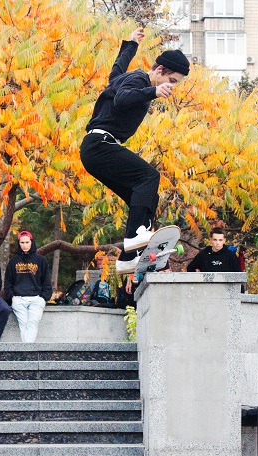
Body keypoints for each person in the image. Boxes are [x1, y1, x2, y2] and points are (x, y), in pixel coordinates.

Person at [80, 28, 190, 275]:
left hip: (96, 150)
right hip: (100, 145)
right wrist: (153, 91)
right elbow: (121, 99)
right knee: (149, 177)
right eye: (171, 81)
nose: (172, 87)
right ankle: (134, 237)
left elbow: (115, 71)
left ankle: (128, 258)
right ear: (159, 70)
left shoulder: (125, 78)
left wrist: (130, 45)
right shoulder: (140, 81)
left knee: (145, 196)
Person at [4, 231, 52, 343]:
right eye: (22, 242)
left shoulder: (41, 260)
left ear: (31, 242)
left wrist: (43, 297)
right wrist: (12, 296)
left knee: (32, 322)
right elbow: (8, 282)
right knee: (23, 323)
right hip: (19, 298)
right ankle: (28, 351)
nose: (24, 245)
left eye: (27, 242)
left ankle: (26, 351)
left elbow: (46, 281)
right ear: (19, 244)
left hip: (36, 298)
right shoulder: (13, 261)